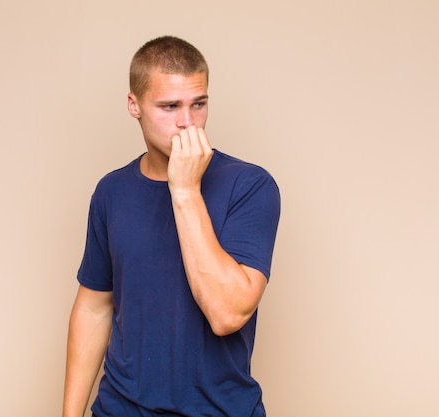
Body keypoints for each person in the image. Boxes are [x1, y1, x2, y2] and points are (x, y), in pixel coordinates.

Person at [62, 35, 281, 417]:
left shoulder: (251, 185)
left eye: (199, 104)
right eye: (169, 106)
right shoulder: (110, 191)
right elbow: (93, 308)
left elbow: (227, 314)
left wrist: (185, 190)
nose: (187, 122)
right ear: (134, 105)